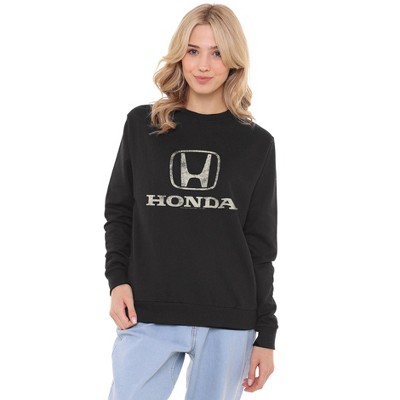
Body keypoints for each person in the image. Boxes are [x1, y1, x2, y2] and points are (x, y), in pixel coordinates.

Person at [104, 4, 278, 399]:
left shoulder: (256, 144)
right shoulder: (143, 126)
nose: (203, 65)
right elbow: (120, 211)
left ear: (234, 61)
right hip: (147, 312)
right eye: (193, 50)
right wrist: (117, 281)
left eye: (217, 52)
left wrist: (266, 334)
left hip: (229, 319)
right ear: (179, 54)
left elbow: (260, 244)